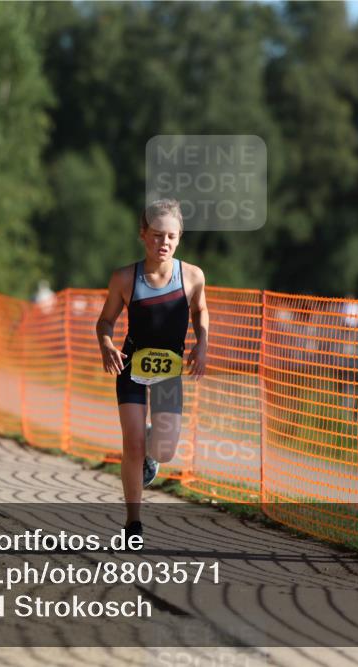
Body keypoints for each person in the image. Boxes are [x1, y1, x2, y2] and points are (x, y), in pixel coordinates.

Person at [96, 199, 208, 538]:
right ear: (143, 234)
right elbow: (105, 321)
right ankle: (133, 522)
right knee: (131, 445)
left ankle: (150, 444)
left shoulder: (192, 276)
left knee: (164, 450)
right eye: (157, 235)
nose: (164, 242)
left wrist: (202, 342)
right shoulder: (124, 278)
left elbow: (200, 310)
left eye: (171, 236)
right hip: (131, 366)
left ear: (180, 237)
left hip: (168, 371)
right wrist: (106, 345)